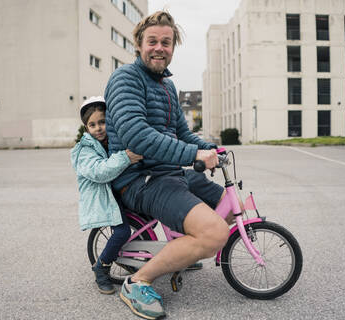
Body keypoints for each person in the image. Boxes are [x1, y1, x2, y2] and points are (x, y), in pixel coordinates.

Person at [104, 11, 232, 320]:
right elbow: (138, 136)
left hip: (168, 173)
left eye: (166, 42)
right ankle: (138, 282)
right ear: (139, 44)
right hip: (140, 179)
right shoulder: (126, 79)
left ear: (173, 47)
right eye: (153, 41)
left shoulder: (166, 86)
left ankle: (182, 251)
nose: (160, 48)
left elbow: (184, 133)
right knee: (215, 234)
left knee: (225, 203)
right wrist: (192, 156)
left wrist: (211, 149)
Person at [70, 96, 142, 295]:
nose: (98, 128)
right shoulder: (83, 150)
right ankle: (101, 268)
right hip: (102, 197)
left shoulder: (112, 140)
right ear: (86, 128)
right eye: (92, 125)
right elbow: (100, 172)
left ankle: (130, 258)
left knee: (147, 218)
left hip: (116, 192)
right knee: (121, 232)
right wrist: (126, 157)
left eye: (102, 122)